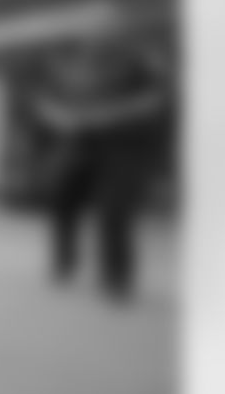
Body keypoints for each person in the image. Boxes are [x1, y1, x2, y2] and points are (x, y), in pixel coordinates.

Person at [34, 42, 167, 304]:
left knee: (114, 209)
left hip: (124, 147)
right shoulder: (70, 66)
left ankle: (117, 278)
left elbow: (154, 101)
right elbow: (44, 102)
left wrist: (104, 117)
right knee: (62, 198)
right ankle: (64, 261)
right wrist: (57, 116)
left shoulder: (138, 63)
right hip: (81, 143)